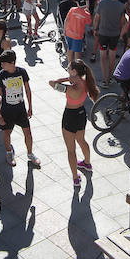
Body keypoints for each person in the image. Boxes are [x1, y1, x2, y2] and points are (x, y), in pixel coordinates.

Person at [50, 60, 99, 188]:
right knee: (82, 140)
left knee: (71, 150)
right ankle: (87, 163)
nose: (67, 68)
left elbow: (52, 83)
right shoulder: (86, 83)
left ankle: (75, 178)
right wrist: (74, 78)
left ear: (74, 71)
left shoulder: (70, 88)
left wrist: (67, 78)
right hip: (81, 114)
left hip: (69, 116)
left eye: (69, 68)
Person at [0, 51, 40, 167]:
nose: (2, 66)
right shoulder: (0, 76)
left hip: (20, 109)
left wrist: (30, 106)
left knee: (28, 133)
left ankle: (30, 154)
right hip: (6, 110)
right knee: (7, 132)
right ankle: (9, 153)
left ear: (12, 62)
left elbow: (27, 89)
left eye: (4, 63)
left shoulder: (22, 72)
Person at [94, 0, 125, 85]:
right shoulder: (121, 6)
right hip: (115, 35)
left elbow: (97, 18)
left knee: (103, 56)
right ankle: (110, 77)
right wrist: (121, 33)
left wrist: (95, 29)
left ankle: (104, 79)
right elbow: (122, 22)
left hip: (103, 33)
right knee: (112, 57)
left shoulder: (102, 3)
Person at [64, 0, 92, 65]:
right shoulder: (86, 14)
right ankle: (77, 67)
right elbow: (90, 23)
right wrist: (88, 11)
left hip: (69, 33)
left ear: (77, 3)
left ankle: (69, 64)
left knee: (69, 49)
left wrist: (65, 30)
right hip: (78, 36)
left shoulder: (72, 9)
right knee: (77, 52)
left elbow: (66, 20)